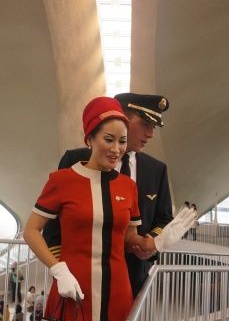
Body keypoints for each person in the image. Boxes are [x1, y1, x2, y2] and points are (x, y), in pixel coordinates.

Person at [24, 96, 193, 321]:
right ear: (90, 138)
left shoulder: (129, 186)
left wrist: (161, 240)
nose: (117, 149)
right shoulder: (62, 178)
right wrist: (58, 269)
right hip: (75, 292)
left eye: (121, 141)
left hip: (117, 295)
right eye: (108, 139)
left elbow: (133, 239)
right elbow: (33, 230)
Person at [42, 93, 173, 298]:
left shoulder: (157, 170)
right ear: (124, 119)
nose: (151, 134)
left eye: (153, 127)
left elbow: (163, 217)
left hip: (131, 276)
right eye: (146, 124)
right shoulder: (76, 160)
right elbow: (53, 223)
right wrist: (60, 266)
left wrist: (151, 242)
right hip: (80, 274)